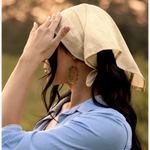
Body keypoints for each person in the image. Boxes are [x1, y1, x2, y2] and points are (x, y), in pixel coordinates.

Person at [0, 3, 146, 150]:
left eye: (53, 42)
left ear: (76, 53)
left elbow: (6, 142)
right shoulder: (63, 107)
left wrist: (29, 58)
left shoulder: (106, 126)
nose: (45, 55)